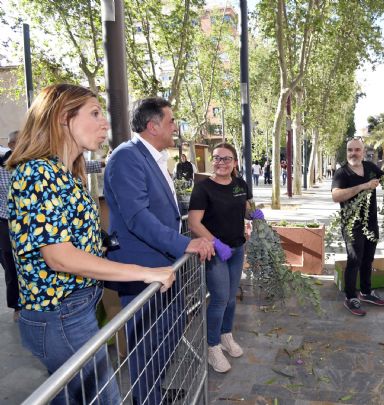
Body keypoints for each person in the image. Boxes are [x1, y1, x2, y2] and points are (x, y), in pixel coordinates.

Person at [6, 84, 176, 405]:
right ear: (61, 117)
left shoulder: (66, 173)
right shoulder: (38, 172)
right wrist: (143, 271)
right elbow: (60, 257)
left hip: (75, 310)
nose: (105, 124)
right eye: (95, 113)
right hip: (60, 317)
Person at [104, 97, 214, 405]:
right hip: (141, 269)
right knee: (146, 342)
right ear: (153, 127)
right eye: (171, 121)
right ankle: (145, 397)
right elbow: (138, 218)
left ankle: (153, 390)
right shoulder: (127, 157)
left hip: (164, 266)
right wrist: (184, 243)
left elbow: (162, 208)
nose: (175, 126)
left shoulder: (152, 157)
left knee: (167, 334)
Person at [188, 143, 263, 373]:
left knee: (231, 298)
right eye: (217, 158)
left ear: (234, 162)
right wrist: (216, 244)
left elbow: (247, 209)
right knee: (220, 298)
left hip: (238, 248)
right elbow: (194, 222)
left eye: (226, 159)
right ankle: (212, 347)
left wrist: (255, 214)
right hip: (215, 252)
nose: (221, 163)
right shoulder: (203, 188)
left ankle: (226, 335)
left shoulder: (240, 185)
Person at [331, 138, 384, 316]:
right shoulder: (342, 173)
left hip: (371, 222)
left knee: (368, 259)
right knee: (354, 259)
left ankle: (366, 292)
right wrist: (363, 186)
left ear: (362, 151)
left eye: (357, 150)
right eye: (350, 150)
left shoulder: (370, 168)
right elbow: (336, 196)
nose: (353, 153)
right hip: (352, 224)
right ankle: (350, 297)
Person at [0, 130, 18, 322]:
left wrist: (102, 163)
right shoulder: (1, 166)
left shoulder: (31, 163)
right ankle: (16, 306)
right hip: (5, 223)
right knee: (11, 267)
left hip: (27, 224)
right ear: (12, 144)